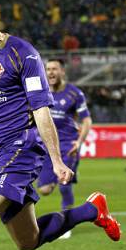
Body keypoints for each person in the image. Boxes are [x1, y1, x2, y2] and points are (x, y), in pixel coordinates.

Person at [0, 0, 121, 250]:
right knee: (28, 241)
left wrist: (56, 160)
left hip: (21, 148)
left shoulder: (23, 53)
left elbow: (41, 110)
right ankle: (92, 210)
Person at [36, 58, 93, 240]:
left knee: (64, 184)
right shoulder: (41, 92)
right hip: (48, 146)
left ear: (62, 72)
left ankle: (66, 223)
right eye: (48, 69)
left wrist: (79, 142)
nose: (50, 72)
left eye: (54, 69)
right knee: (44, 189)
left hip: (69, 145)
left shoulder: (74, 93)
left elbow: (86, 120)